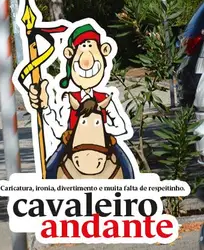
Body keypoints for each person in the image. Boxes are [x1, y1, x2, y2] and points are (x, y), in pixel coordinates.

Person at [28, 23, 135, 179]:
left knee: (127, 169)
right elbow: (58, 129)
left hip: (104, 144)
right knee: (50, 170)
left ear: (104, 53)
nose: (87, 62)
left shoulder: (106, 100)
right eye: (80, 55)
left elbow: (122, 127)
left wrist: (100, 130)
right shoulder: (68, 99)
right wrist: (45, 107)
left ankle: (130, 193)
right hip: (71, 144)